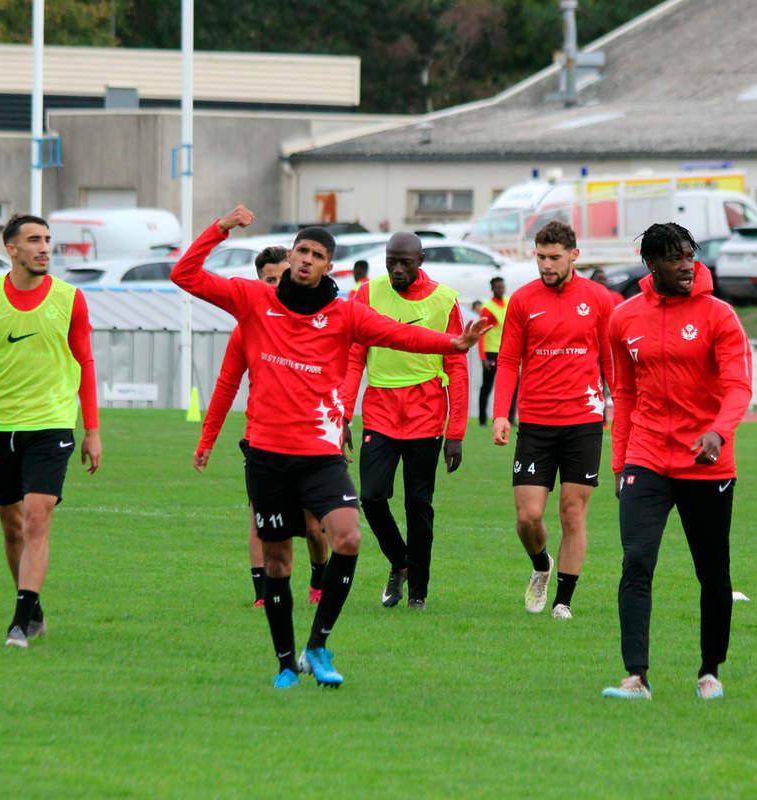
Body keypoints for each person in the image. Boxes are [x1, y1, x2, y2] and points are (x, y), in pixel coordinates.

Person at [172, 205, 488, 688]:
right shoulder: (253, 300)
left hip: (320, 453)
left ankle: (318, 645)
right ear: (293, 254)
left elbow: (399, 335)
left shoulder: (344, 314)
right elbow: (185, 274)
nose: (306, 260)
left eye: (317, 255)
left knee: (349, 536)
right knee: (278, 562)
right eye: (302, 250)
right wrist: (221, 229)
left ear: (328, 267)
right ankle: (284, 664)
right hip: (267, 455)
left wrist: (453, 345)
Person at [601, 222, 752, 701]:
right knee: (637, 561)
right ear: (651, 264)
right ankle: (636, 677)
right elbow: (623, 393)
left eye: (690, 255)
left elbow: (739, 387)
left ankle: (710, 671)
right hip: (645, 457)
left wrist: (718, 432)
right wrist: (620, 461)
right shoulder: (623, 319)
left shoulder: (719, 316)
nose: (686, 265)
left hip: (707, 463)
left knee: (712, 570)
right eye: (673, 258)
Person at [0, 213, 103, 648]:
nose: (44, 247)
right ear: (11, 249)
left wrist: (92, 430)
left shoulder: (70, 298)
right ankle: (33, 607)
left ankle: (19, 624)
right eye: (34, 240)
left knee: (36, 517)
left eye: (47, 239)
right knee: (12, 526)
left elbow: (86, 363)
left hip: (52, 426)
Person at [194, 245, 328, 609]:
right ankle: (263, 596)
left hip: (311, 439)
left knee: (314, 526)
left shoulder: (321, 320)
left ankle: (319, 577)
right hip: (262, 440)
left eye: (281, 276)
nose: (275, 284)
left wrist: (338, 423)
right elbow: (226, 385)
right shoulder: (250, 328)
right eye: (268, 279)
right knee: (260, 518)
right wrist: (207, 440)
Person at [492, 220, 614, 619]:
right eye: (541, 257)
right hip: (536, 423)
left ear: (573, 256)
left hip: (584, 420)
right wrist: (500, 414)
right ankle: (541, 564)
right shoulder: (523, 300)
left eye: (554, 257)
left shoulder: (599, 299)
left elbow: (610, 360)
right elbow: (509, 360)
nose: (546, 265)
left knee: (572, 511)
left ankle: (563, 600)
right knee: (528, 517)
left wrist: (620, 409)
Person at [341, 232, 467, 610]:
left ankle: (418, 595)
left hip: (426, 414)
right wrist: (343, 414)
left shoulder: (445, 299)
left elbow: (457, 365)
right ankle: (400, 562)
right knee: (372, 497)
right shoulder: (365, 294)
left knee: (418, 505)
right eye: (390, 261)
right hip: (379, 410)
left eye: (405, 263)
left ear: (421, 260)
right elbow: (353, 357)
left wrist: (456, 432)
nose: (396, 269)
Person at [477, 276, 516, 426]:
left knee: (513, 385)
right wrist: (483, 358)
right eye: (498, 287)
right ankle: (482, 420)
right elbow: (481, 333)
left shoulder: (509, 302)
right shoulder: (487, 308)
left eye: (503, 287)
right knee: (488, 386)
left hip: (507, 351)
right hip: (491, 351)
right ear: (492, 289)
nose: (501, 289)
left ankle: (511, 419)